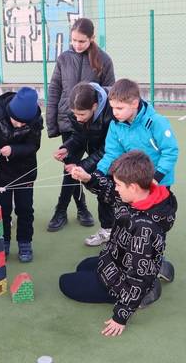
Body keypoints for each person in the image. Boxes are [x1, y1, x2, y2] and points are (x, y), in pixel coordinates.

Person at [60, 151, 177, 336]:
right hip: (118, 259)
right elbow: (109, 192)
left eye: (119, 185)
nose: (116, 188)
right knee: (82, 266)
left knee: (65, 283)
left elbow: (139, 276)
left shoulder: (144, 229)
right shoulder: (141, 195)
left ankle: (147, 290)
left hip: (126, 280)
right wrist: (88, 178)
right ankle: (154, 270)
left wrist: (120, 316)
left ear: (133, 187)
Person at [46, 17, 115, 232]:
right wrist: (52, 123)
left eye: (82, 41)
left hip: (97, 127)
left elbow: (110, 91)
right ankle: (65, 210)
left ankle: (83, 209)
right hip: (70, 122)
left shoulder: (103, 60)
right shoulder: (64, 58)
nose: (77, 45)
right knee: (71, 169)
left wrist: (97, 115)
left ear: (92, 38)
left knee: (93, 169)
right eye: (73, 40)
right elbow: (54, 89)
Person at [94, 79, 179, 254]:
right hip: (133, 183)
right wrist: (98, 173)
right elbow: (112, 153)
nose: (115, 113)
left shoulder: (156, 122)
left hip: (159, 182)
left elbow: (170, 151)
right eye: (112, 108)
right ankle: (132, 251)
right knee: (133, 219)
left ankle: (155, 256)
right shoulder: (115, 125)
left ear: (134, 103)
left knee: (155, 221)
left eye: (120, 108)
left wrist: (156, 178)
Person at [0, 87, 43, 262]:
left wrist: (13, 150)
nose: (20, 125)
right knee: (2, 210)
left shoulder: (35, 119)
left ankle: (25, 242)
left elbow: (33, 146)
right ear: (10, 112)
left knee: (25, 209)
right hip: (1, 172)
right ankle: (3, 241)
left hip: (25, 171)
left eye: (24, 124)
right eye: (16, 121)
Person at [53, 82, 114, 243]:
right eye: (75, 114)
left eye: (82, 114)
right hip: (99, 155)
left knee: (116, 192)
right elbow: (79, 136)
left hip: (118, 156)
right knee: (103, 192)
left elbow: (108, 149)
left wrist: (81, 166)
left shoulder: (112, 112)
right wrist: (67, 148)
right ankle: (107, 231)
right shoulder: (75, 112)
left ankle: (123, 233)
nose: (78, 118)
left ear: (94, 106)